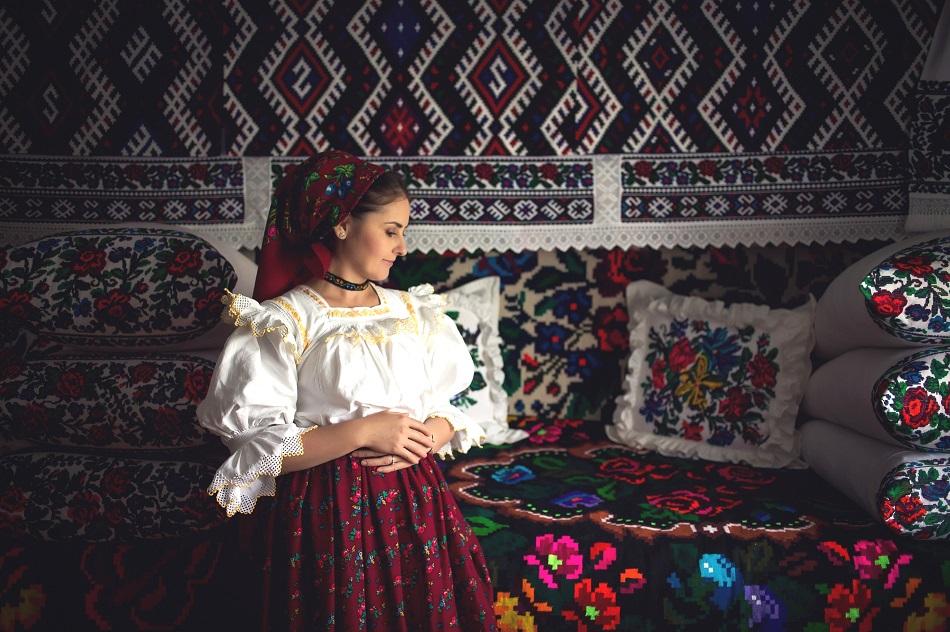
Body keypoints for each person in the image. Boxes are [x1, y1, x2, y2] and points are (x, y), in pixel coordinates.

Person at [196, 149, 496, 631]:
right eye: (391, 230)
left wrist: (437, 430)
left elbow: (446, 404)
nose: (401, 248)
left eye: (404, 233)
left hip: (415, 502)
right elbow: (260, 451)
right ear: (341, 224)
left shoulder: (413, 312)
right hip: (327, 510)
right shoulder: (285, 320)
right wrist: (364, 430)